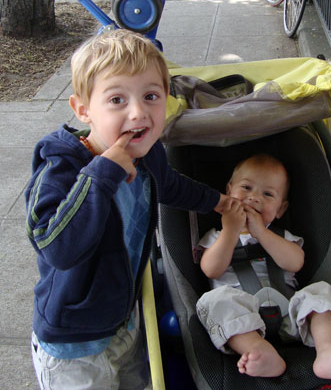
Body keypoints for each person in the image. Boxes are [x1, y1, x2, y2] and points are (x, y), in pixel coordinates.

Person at [25, 29, 231, 390]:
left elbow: (170, 186)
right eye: (117, 99)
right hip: (73, 343)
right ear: (83, 108)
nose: (138, 112)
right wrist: (103, 173)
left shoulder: (147, 151)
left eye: (150, 96)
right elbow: (56, 246)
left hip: (125, 321)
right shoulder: (60, 166)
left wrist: (218, 200)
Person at [196, 153, 331, 380]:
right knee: (214, 302)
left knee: (320, 291)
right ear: (229, 191)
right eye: (246, 187)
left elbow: (295, 263)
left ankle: (329, 350)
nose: (254, 198)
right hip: (241, 320)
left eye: (268, 194)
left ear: (281, 209)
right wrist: (231, 231)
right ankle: (257, 351)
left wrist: (261, 232)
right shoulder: (217, 237)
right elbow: (211, 270)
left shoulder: (282, 237)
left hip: (290, 314)